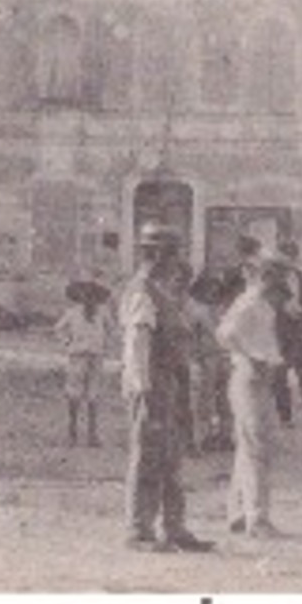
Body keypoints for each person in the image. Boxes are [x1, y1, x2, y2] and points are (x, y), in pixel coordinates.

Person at [119, 223, 212, 553]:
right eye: (173, 253)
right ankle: (138, 531)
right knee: (147, 456)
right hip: (151, 385)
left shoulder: (163, 293)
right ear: (156, 254)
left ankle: (174, 527)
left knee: (171, 457)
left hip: (170, 382)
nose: (177, 261)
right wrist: (143, 387)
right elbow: (138, 343)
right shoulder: (142, 291)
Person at [218, 256, 291, 538]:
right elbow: (224, 334)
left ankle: (237, 512)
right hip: (249, 376)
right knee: (256, 448)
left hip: (259, 376)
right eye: (274, 275)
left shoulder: (263, 304)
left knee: (248, 446)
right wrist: (250, 357)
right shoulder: (249, 302)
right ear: (262, 275)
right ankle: (257, 520)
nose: (278, 280)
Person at [57, 279, 114, 448]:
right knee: (74, 394)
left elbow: (111, 330)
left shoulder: (103, 313)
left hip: (96, 357)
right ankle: (72, 433)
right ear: (80, 297)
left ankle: (92, 435)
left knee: (93, 394)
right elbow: (59, 328)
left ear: (97, 297)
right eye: (85, 295)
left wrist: (105, 345)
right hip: (78, 356)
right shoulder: (73, 313)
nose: (89, 298)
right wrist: (68, 344)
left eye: (93, 295)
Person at [272, 239, 302, 429]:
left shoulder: (301, 277)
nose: (289, 261)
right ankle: (285, 417)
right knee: (279, 377)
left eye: (292, 256)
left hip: (300, 334)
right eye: (285, 257)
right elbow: (270, 301)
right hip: (280, 335)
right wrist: (284, 307)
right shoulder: (273, 279)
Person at [184, 271, 234, 453]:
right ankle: (203, 437)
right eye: (209, 288)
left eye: (215, 288)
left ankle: (225, 436)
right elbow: (189, 336)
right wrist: (195, 357)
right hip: (205, 359)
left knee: (226, 401)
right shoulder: (195, 310)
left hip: (225, 358)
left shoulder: (223, 309)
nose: (212, 292)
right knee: (203, 401)